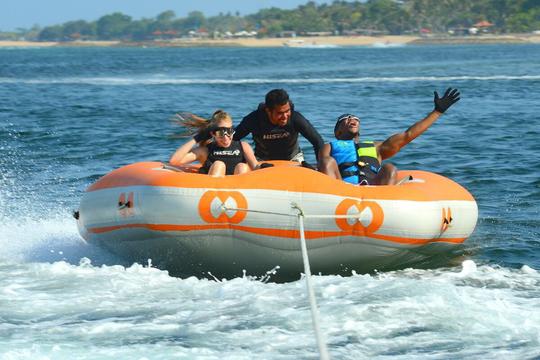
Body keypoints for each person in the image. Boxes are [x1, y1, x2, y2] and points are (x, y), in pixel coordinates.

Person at [318, 88, 461, 185]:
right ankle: (331, 200)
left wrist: (437, 112)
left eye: (355, 118)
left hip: (374, 191)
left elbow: (408, 135)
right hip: (341, 189)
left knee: (389, 168)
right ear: (338, 132)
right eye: (346, 119)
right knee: (327, 161)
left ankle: (387, 209)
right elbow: (323, 167)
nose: (352, 119)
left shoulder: (376, 147)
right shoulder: (329, 146)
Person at [233, 89, 324, 163]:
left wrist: (321, 166)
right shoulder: (253, 119)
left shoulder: (296, 118)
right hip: (262, 161)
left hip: (293, 159)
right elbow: (232, 139)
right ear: (268, 111)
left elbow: (318, 142)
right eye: (280, 113)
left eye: (287, 111)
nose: (285, 116)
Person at [169, 110, 259, 177]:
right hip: (213, 194)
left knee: (242, 166)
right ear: (213, 133)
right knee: (218, 165)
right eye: (221, 133)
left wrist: (263, 167)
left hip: (237, 194)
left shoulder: (243, 146)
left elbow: (255, 167)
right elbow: (174, 161)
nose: (225, 137)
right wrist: (196, 139)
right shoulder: (205, 151)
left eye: (229, 131)